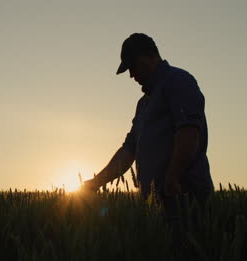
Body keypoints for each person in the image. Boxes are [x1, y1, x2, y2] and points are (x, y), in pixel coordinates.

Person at [83, 33, 214, 225]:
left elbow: (189, 133)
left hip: (184, 198)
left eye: (133, 66)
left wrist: (172, 178)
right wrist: (95, 183)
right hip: (155, 204)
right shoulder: (143, 104)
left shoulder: (178, 81)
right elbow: (128, 151)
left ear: (150, 57)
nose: (131, 75)